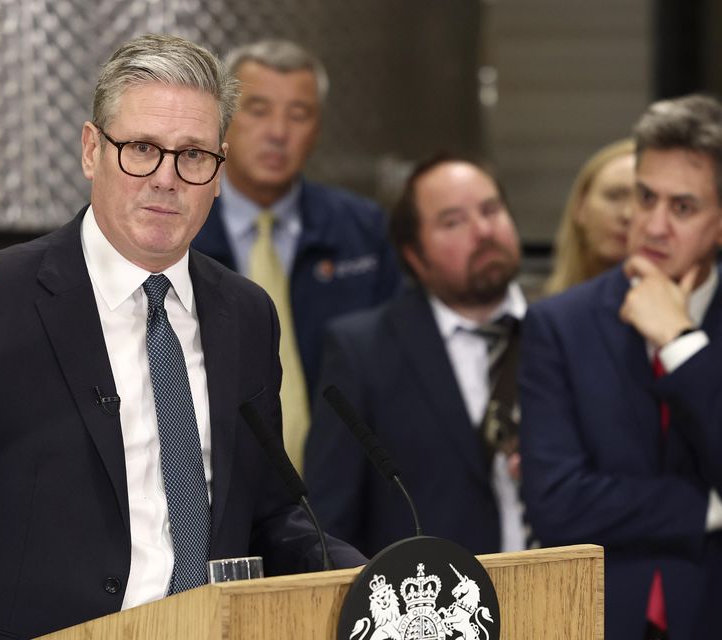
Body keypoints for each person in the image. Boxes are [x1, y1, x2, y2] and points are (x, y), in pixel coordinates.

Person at [0, 34, 364, 640]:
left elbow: (265, 511)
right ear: (90, 150)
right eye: (140, 149)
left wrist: (366, 581)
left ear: (218, 171)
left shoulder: (246, 313)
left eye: (192, 156)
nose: (166, 178)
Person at [520, 94, 722, 640]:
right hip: (601, 616)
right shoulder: (558, 324)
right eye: (645, 196)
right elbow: (556, 505)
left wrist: (681, 343)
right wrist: (707, 506)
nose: (653, 225)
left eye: (683, 208)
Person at [304, 154, 528, 558]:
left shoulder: (565, 332)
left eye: (491, 210)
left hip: (568, 598)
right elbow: (329, 526)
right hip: (428, 607)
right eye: (453, 221)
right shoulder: (362, 351)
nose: (483, 231)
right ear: (413, 255)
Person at [191, 40, 400, 471]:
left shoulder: (364, 232)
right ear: (223, 121)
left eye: (298, 114)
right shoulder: (181, 230)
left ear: (318, 129)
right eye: (259, 109)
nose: (278, 132)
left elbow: (395, 373)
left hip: (341, 486)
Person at [544, 138, 636, 295]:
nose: (628, 214)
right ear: (580, 207)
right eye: (614, 196)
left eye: (643, 201)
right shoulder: (538, 313)